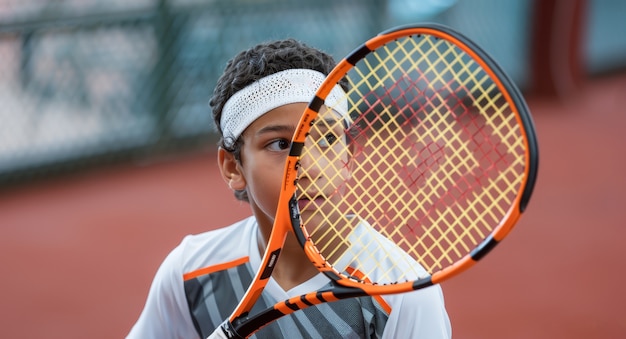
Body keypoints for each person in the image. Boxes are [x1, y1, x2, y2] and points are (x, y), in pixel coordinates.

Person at [127, 38, 452, 339]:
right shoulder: (189, 275)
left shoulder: (403, 293)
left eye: (326, 139)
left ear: (348, 158)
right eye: (280, 143)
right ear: (232, 167)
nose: (309, 166)